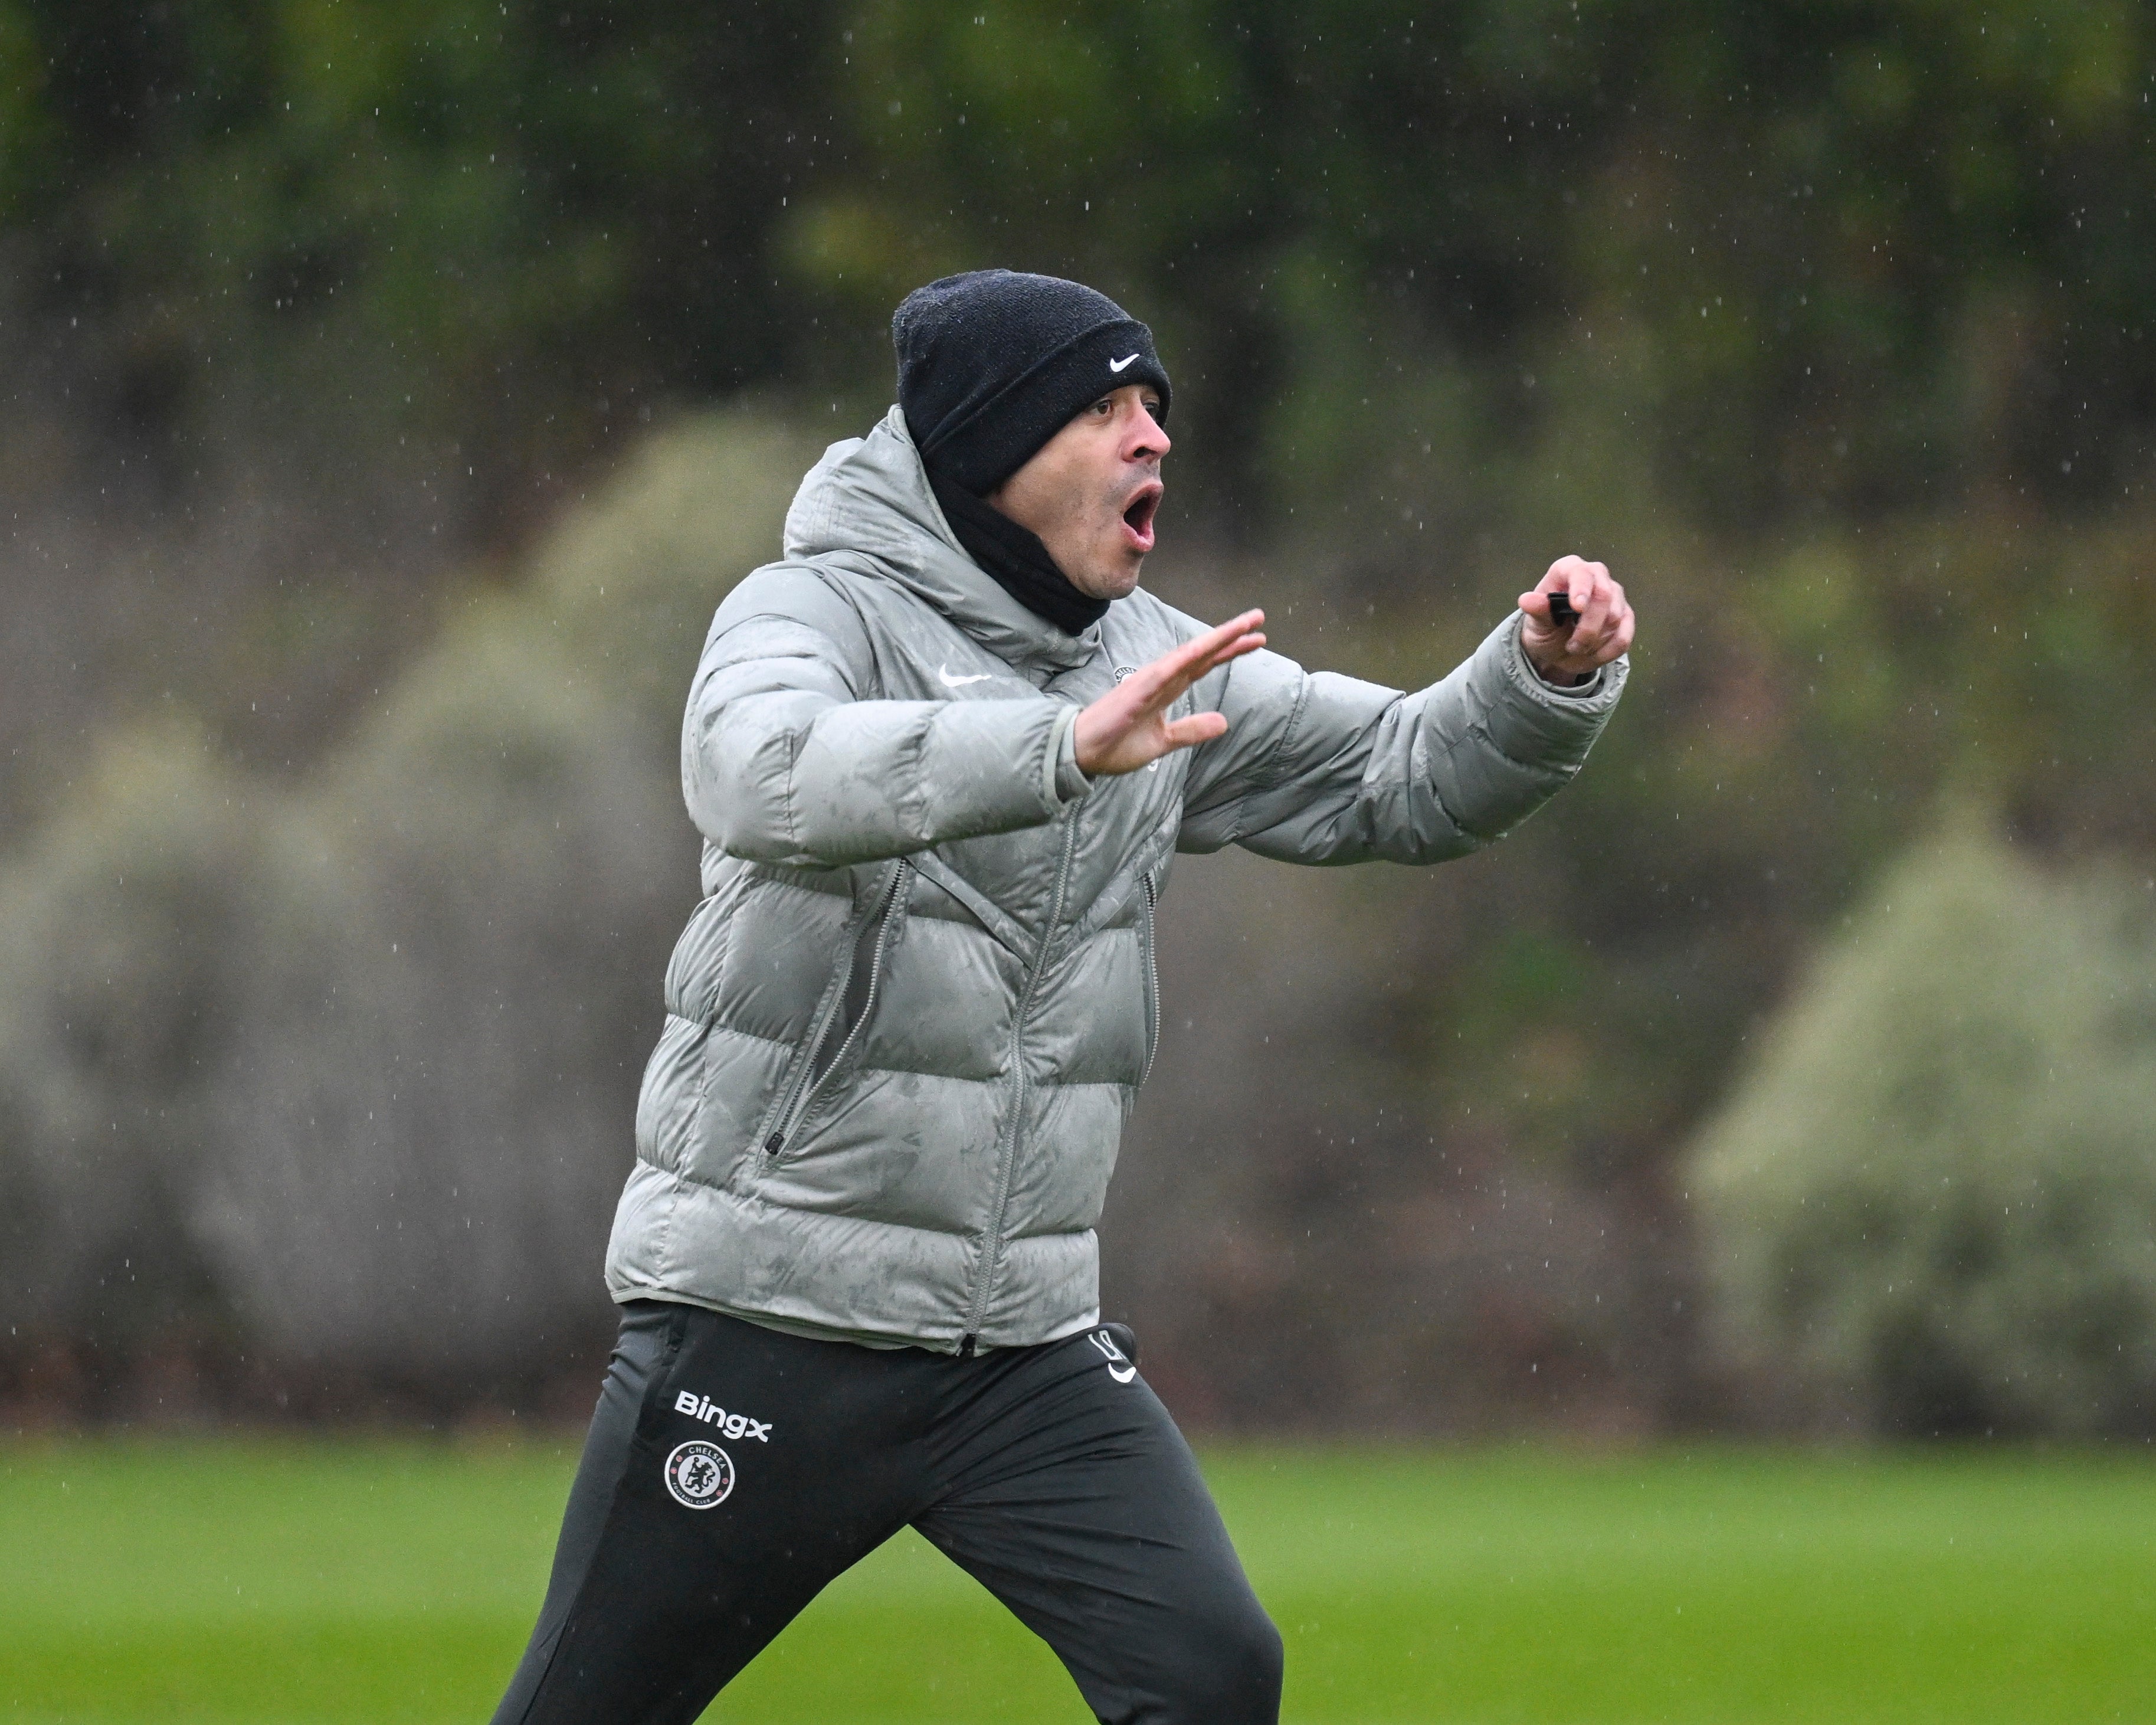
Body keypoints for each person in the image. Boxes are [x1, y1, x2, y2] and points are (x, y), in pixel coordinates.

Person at [491, 269, 1633, 1724]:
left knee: (1211, 1670)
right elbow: (756, 772)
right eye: (1102, 407)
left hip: (1017, 1350)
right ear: (985, 445)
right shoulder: (809, 607)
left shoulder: (1161, 663)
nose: (1151, 436)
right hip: (768, 1315)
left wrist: (1538, 677)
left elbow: (1399, 776)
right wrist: (1049, 749)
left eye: (1156, 407)